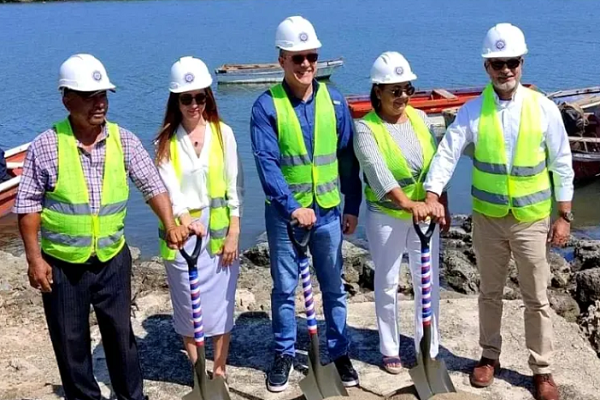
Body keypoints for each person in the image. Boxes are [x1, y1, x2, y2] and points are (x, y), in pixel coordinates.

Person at [14, 54, 188, 400]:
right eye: (89, 96)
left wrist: (170, 224)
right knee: (71, 343)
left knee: (121, 337)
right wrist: (35, 259)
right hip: (63, 265)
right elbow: (28, 206)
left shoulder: (124, 140)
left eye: (103, 95)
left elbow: (152, 185)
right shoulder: (47, 145)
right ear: (67, 99)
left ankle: (131, 397)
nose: (100, 103)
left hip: (112, 259)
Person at [423, 24, 574, 400]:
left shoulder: (543, 108)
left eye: (512, 62)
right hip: (488, 219)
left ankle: (542, 369)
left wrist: (564, 215)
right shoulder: (473, 111)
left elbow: (562, 162)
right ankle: (489, 356)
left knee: (536, 297)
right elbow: (447, 153)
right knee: (489, 292)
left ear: (521, 64)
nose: (505, 69)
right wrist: (432, 193)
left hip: (531, 219)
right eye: (497, 63)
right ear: (486, 67)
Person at [250, 15, 362, 392]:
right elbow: (267, 164)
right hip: (286, 217)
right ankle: (284, 352)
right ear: (282, 59)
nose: (306, 64)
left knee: (333, 286)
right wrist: (292, 207)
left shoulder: (335, 101)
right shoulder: (266, 107)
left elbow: (347, 157)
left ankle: (339, 351)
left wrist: (352, 205)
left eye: (311, 56)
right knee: (284, 288)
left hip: (329, 212)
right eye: (297, 57)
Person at [353, 51, 450, 374]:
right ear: (378, 91)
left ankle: (428, 347)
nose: (403, 96)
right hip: (387, 217)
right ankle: (390, 348)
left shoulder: (421, 119)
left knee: (428, 282)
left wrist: (442, 204)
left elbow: (437, 165)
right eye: (395, 91)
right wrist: (410, 205)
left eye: (408, 89)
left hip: (425, 217)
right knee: (387, 282)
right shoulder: (366, 128)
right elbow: (378, 173)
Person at [155, 56, 243, 380]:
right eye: (186, 98)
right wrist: (182, 222)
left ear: (208, 97)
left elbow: (235, 187)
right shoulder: (164, 143)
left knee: (221, 306)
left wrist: (234, 232)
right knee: (189, 309)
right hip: (182, 236)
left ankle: (219, 370)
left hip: (219, 233)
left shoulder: (224, 134)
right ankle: (198, 371)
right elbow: (169, 192)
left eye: (200, 97)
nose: (194, 105)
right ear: (175, 101)